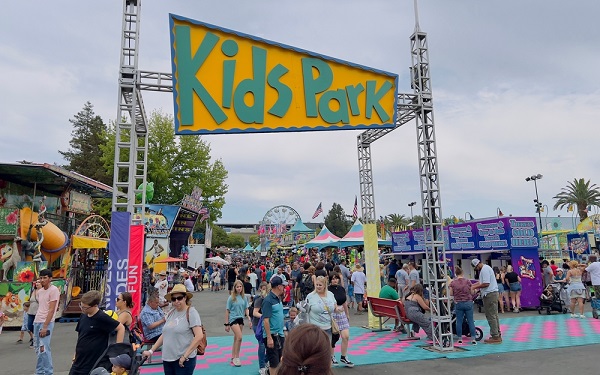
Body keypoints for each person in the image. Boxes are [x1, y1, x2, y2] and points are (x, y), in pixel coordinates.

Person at [142, 284, 204, 375]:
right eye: (173, 299)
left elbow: (199, 336)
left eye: (179, 298)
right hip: (168, 359)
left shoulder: (191, 312)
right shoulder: (171, 312)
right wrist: (151, 351)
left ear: (185, 298)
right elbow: (165, 334)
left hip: (183, 360)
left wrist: (185, 356)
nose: (176, 301)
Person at [69, 291, 125, 375]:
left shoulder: (102, 317)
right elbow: (81, 336)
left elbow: (121, 328)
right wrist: (75, 354)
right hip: (79, 360)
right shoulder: (83, 316)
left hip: (93, 361)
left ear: (94, 305)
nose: (82, 309)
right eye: (81, 306)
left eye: (85, 307)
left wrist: (117, 351)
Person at [306, 275, 337, 365]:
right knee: (315, 350)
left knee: (327, 349)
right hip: (315, 328)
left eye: (320, 285)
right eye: (317, 285)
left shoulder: (330, 295)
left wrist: (338, 309)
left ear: (325, 285)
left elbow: (334, 307)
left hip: (328, 327)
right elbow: (305, 311)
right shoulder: (310, 296)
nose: (318, 287)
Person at [34, 268, 60, 375]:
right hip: (37, 320)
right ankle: (40, 371)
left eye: (45, 278)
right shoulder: (39, 291)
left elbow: (51, 309)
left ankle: (48, 372)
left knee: (44, 348)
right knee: (38, 349)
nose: (43, 280)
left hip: (46, 322)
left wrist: (45, 326)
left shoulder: (54, 290)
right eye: (41, 278)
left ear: (50, 279)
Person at [471, 259, 501, 344]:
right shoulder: (487, 268)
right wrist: (475, 286)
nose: (477, 269)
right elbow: (482, 282)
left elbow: (486, 283)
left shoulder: (484, 270)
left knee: (491, 316)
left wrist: (474, 287)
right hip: (492, 293)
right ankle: (497, 334)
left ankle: (495, 336)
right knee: (494, 315)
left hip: (489, 295)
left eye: (476, 267)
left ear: (477, 265)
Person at [262, 276, 287, 375]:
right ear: (279, 286)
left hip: (279, 334)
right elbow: (266, 320)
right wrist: (269, 337)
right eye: (283, 286)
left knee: (281, 359)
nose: (284, 288)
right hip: (272, 335)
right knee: (274, 362)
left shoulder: (277, 298)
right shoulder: (268, 300)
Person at [329, 273, 354, 367]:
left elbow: (344, 301)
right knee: (333, 337)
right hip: (333, 313)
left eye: (336, 279)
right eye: (333, 279)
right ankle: (332, 356)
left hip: (342, 313)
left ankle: (343, 356)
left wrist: (347, 314)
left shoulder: (341, 288)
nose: (335, 280)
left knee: (346, 336)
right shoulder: (328, 290)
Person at [225, 279, 252, 367]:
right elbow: (227, 311)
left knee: (237, 338)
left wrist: (248, 317)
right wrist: (227, 324)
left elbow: (246, 308)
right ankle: (236, 357)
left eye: (240, 287)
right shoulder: (231, 297)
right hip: (233, 319)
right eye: (237, 287)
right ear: (235, 288)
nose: (239, 288)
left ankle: (233, 356)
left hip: (241, 318)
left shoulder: (244, 297)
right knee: (240, 337)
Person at [449, 267, 477, 345]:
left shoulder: (453, 283)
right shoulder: (468, 281)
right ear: (462, 273)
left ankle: (460, 338)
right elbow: (471, 292)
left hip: (458, 303)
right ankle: (473, 339)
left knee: (459, 321)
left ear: (455, 274)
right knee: (471, 321)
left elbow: (451, 294)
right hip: (468, 302)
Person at [252, 282, 270, 375]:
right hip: (257, 324)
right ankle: (262, 366)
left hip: (267, 324)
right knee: (262, 344)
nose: (264, 291)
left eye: (265, 289)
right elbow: (255, 312)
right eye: (263, 289)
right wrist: (264, 316)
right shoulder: (259, 299)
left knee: (269, 345)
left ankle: (266, 361)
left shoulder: (270, 299)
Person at [27, 278, 42, 348]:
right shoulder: (33, 290)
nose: (37, 283)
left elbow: (41, 301)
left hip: (38, 312)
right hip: (30, 311)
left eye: (39, 282)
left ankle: (35, 340)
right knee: (29, 326)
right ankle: (37, 336)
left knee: (36, 326)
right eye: (36, 282)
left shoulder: (42, 292)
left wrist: (39, 292)